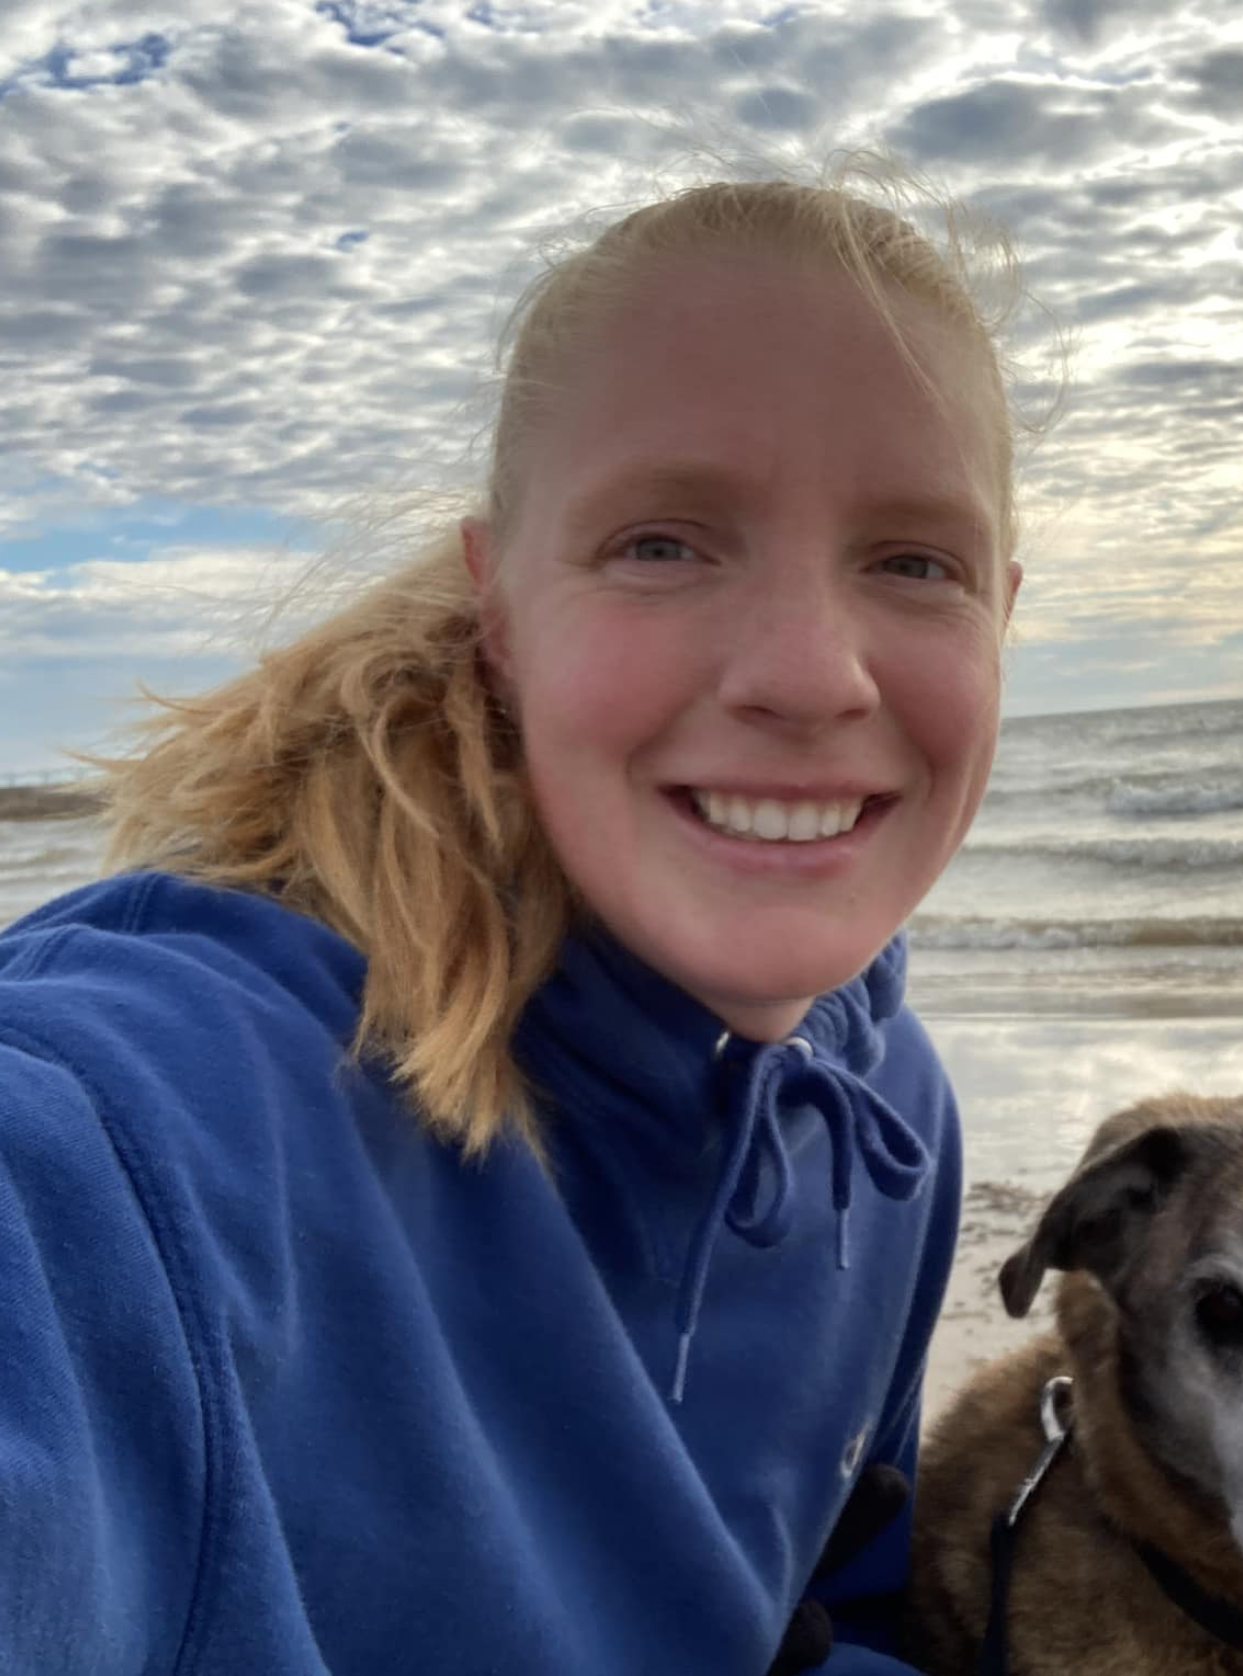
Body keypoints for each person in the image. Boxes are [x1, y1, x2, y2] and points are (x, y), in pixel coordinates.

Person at [0, 163, 1028, 1673]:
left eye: (914, 563)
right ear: (500, 608)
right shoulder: (178, 1115)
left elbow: (833, 1605)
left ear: (1002, 608)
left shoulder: (887, 1116)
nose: (810, 674)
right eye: (663, 542)